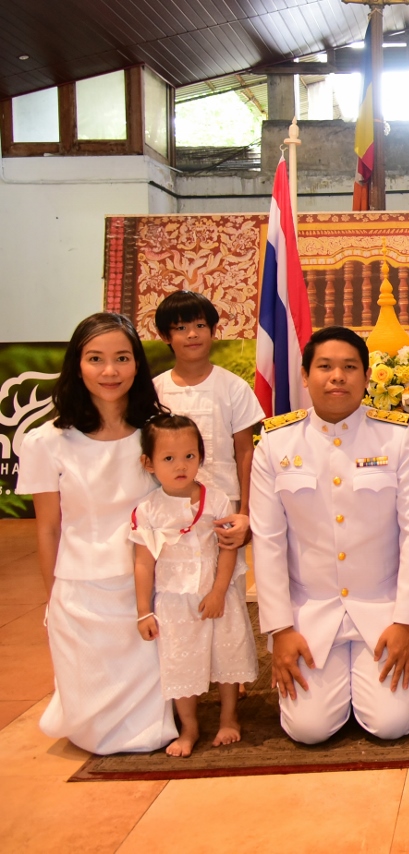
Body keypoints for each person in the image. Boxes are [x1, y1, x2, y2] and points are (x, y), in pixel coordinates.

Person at [250, 326, 409, 744]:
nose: (337, 377)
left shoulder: (398, 437)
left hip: (383, 611)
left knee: (392, 725)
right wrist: (280, 629)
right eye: (326, 367)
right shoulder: (275, 444)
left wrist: (407, 622)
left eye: (350, 367)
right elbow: (268, 541)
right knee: (308, 730)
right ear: (305, 374)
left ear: (367, 378)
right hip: (309, 615)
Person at [17, 313, 180, 754]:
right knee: (92, 731)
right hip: (82, 589)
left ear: (137, 365)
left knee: (155, 726)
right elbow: (49, 527)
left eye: (122, 358)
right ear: (77, 365)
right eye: (96, 359)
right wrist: (55, 599)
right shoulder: (45, 442)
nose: (110, 371)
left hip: (147, 587)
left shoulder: (157, 433)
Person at [151, 289, 264, 696]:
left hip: (222, 507)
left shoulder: (233, 387)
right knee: (177, 592)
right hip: (171, 510)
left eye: (200, 325)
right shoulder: (155, 391)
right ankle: (183, 680)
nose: (192, 335)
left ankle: (229, 679)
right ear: (165, 335)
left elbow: (245, 451)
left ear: (214, 331)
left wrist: (247, 511)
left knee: (226, 592)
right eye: (181, 328)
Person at [131, 415, 258, 757]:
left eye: (189, 456)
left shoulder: (215, 500)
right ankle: (188, 725)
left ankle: (229, 716)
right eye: (168, 459)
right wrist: (144, 611)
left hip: (217, 597)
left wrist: (218, 591)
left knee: (225, 656)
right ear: (149, 463)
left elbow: (228, 548)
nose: (181, 466)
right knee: (180, 664)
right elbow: (143, 563)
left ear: (201, 457)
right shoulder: (148, 510)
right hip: (173, 603)